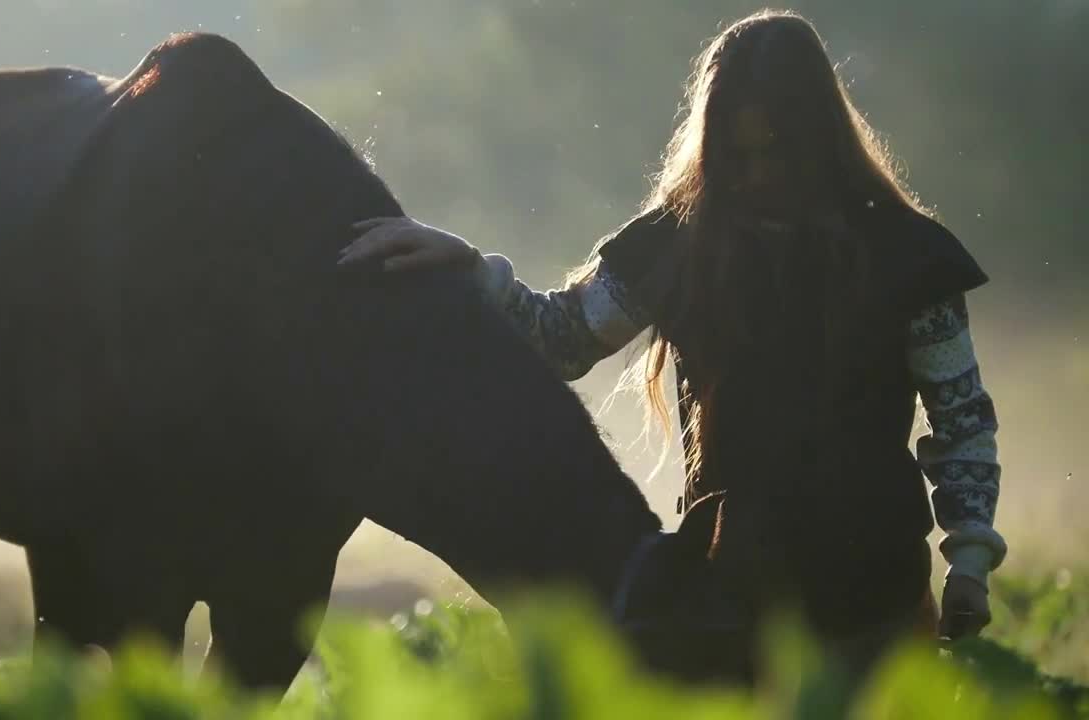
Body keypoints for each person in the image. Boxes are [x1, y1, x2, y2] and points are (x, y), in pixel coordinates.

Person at [340, 9, 1005, 661]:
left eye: (777, 152)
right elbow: (564, 336)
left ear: (818, 139)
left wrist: (969, 559)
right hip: (732, 600)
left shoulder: (904, 256)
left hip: (876, 599)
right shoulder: (681, 245)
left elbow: (962, 416)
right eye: (738, 157)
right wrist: (467, 266)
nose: (757, 176)